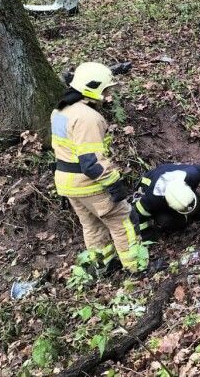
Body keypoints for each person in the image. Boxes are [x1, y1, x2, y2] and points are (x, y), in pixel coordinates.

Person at [51, 62, 148, 274]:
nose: (107, 94)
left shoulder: (61, 109)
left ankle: (104, 265)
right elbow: (91, 163)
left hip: (66, 182)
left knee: (92, 225)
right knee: (124, 221)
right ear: (93, 88)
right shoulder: (88, 118)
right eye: (105, 89)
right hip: (88, 183)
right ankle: (137, 267)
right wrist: (114, 183)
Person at [132, 162, 200, 237]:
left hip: (167, 172)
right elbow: (136, 215)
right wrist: (147, 236)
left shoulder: (191, 175)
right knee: (169, 222)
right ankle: (181, 220)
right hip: (150, 182)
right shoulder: (152, 200)